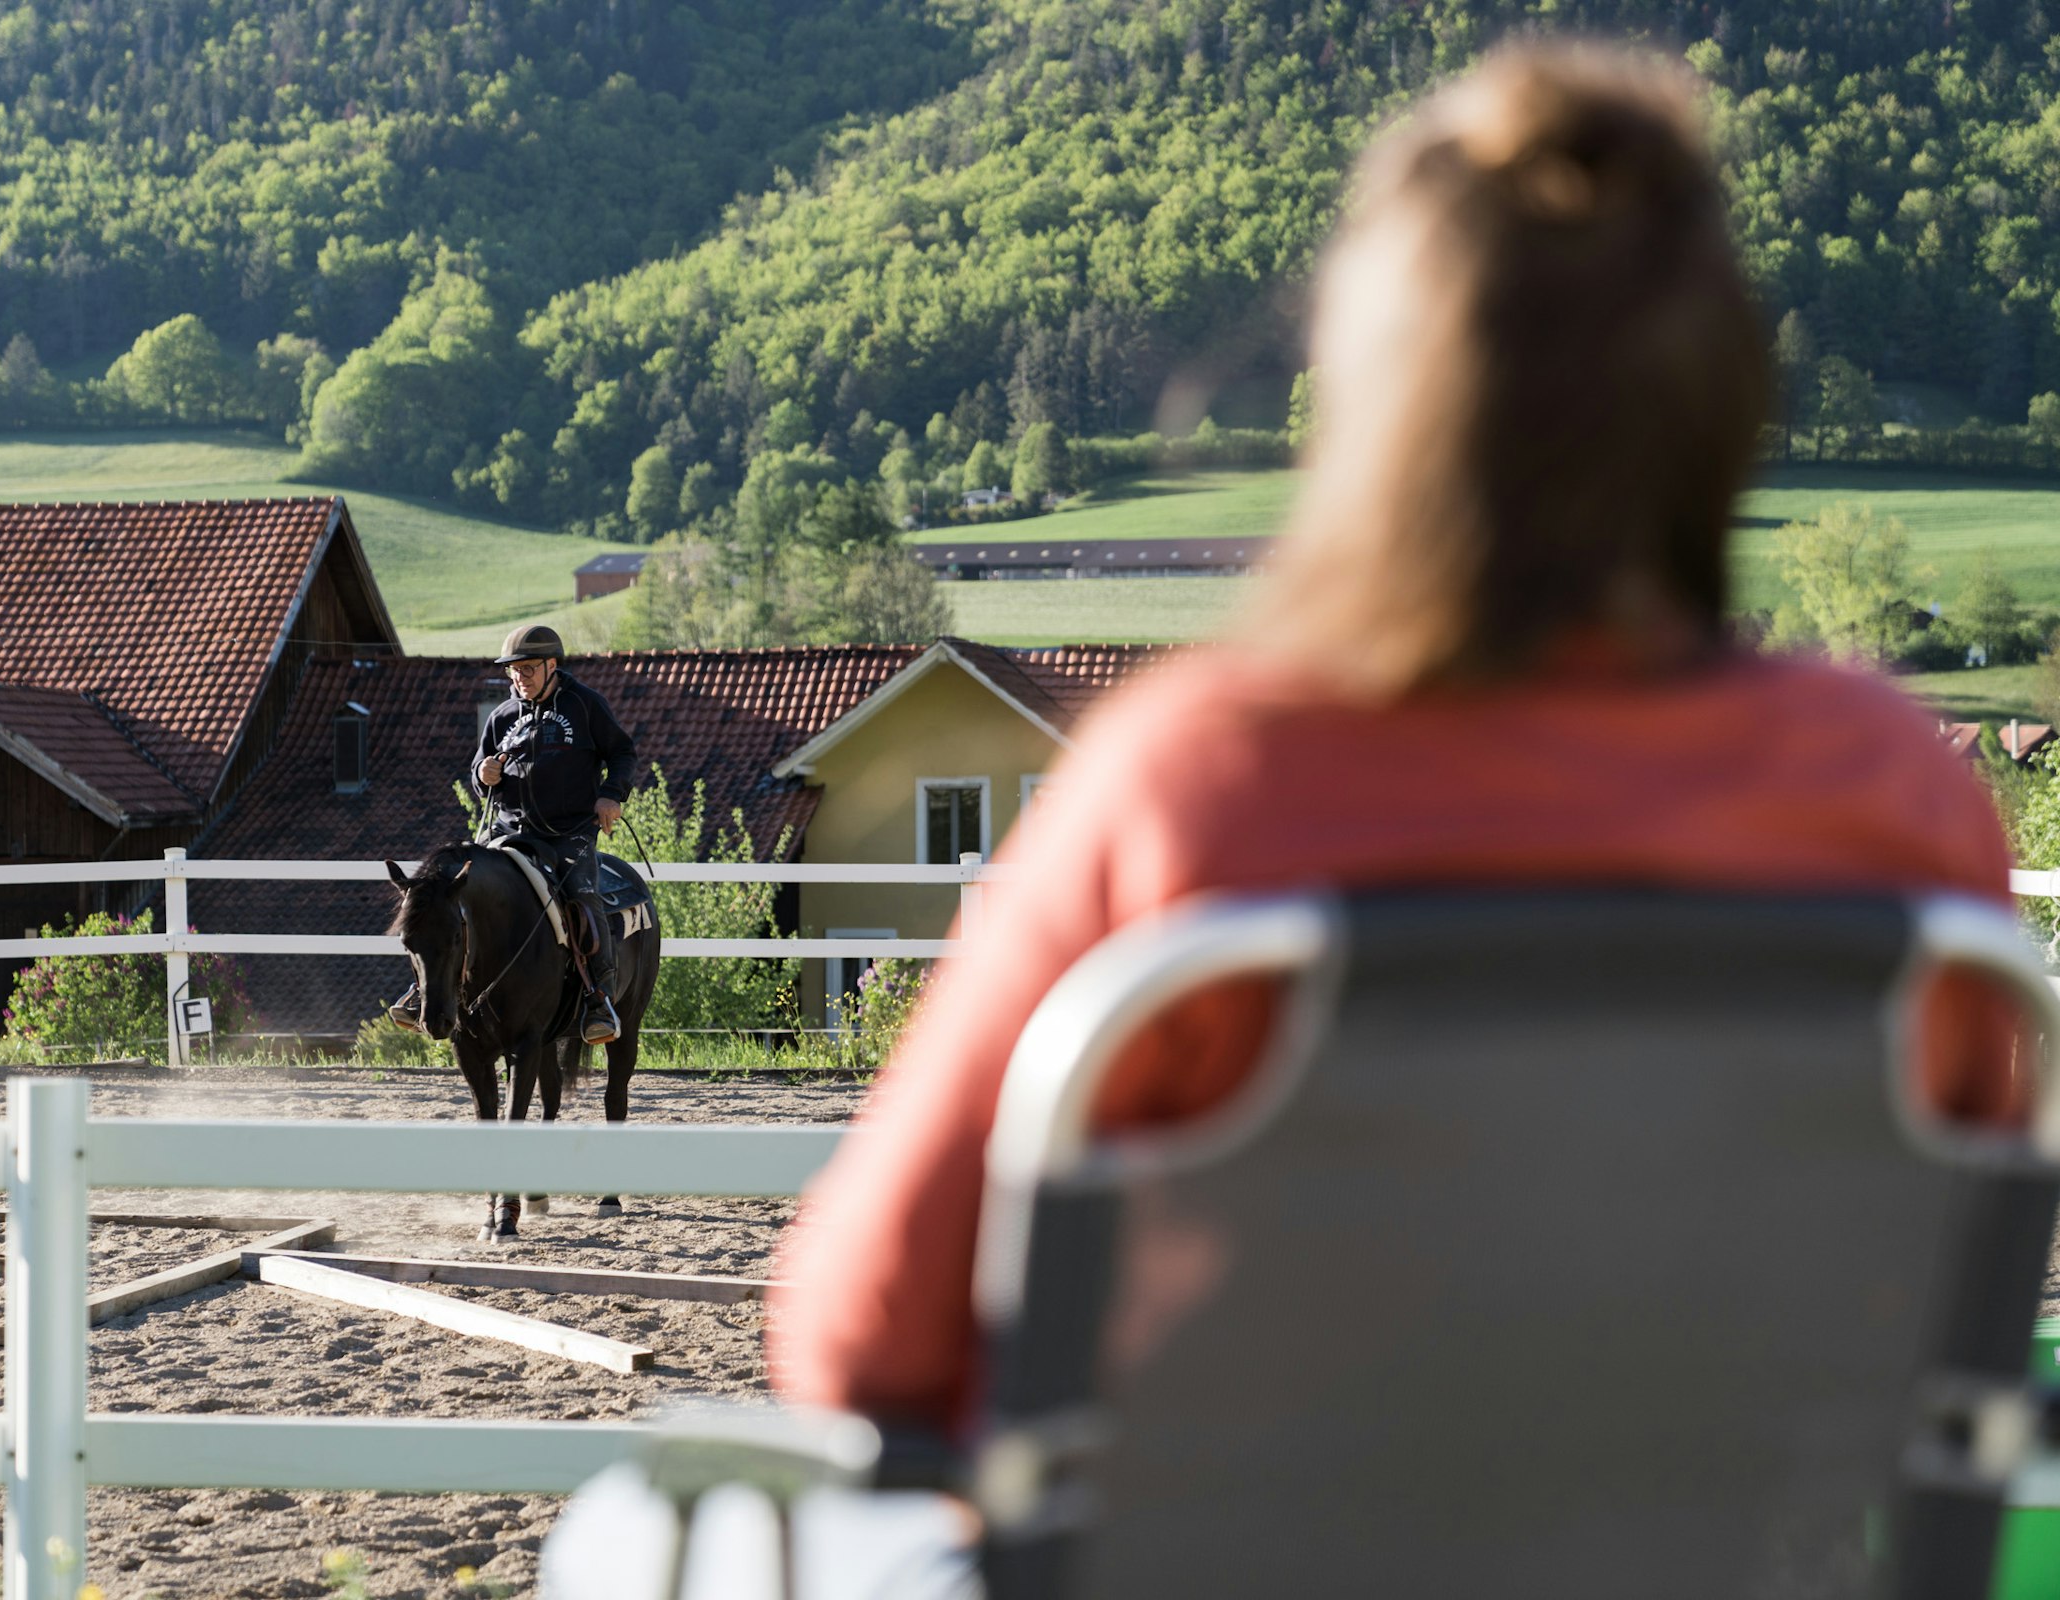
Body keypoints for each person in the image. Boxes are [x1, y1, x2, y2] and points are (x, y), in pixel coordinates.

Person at [767, 42, 2026, 1443]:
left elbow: (861, 1330)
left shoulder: (1197, 786)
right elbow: (1946, 1301)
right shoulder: (1888, 792)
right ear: (1722, 399)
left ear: (1376, 401)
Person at [467, 623, 638, 1044]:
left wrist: (610, 794)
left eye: (527, 670)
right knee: (459, 891)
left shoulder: (585, 706)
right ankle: (432, 993)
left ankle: (600, 999)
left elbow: (621, 752)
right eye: (513, 671)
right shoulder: (502, 716)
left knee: (583, 898)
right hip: (507, 832)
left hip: (569, 834)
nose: (518, 679)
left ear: (551, 665)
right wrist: (482, 773)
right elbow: (478, 772)